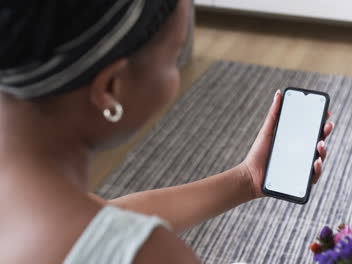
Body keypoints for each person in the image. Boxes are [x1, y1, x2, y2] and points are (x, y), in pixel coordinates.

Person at [0, 0, 334, 263]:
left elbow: (105, 217)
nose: (177, 73)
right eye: (174, 57)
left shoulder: (33, 205)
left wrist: (247, 179)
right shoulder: (152, 257)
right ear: (111, 89)